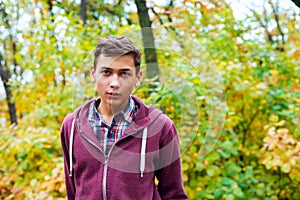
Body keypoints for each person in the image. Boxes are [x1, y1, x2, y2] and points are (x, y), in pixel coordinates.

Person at [60, 36, 188, 200]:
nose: (114, 82)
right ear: (93, 74)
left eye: (124, 74)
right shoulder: (71, 126)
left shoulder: (161, 127)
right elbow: (72, 192)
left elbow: (174, 194)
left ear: (138, 77)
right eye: (106, 72)